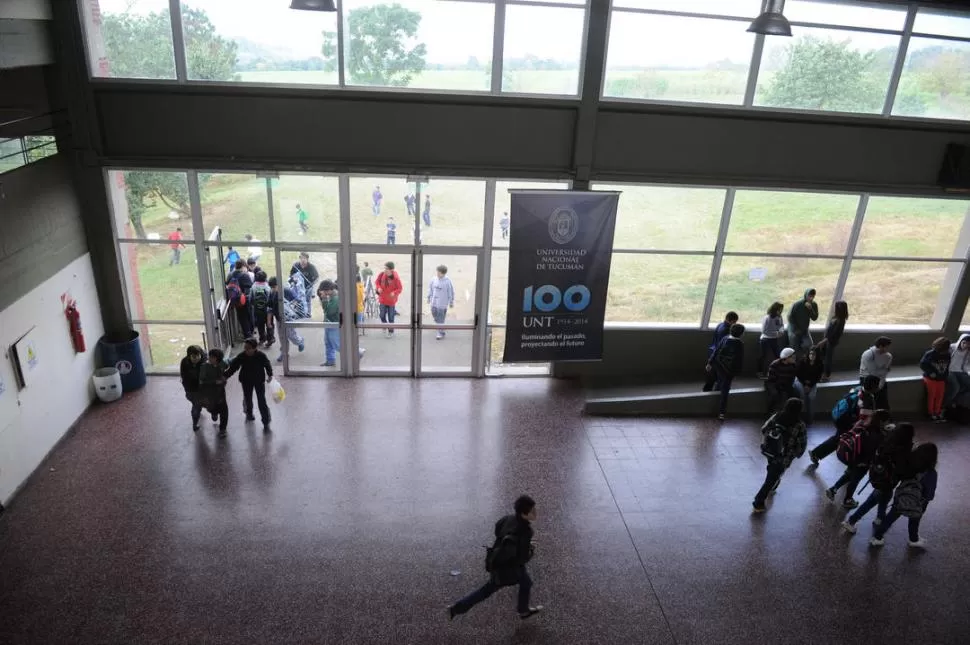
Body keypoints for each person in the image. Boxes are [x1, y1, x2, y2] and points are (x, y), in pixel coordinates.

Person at [448, 495, 543, 621]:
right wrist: (531, 549)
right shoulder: (526, 531)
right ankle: (456, 608)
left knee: (526, 582)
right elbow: (522, 558)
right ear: (524, 514)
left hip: (497, 558)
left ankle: (523, 610)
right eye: (532, 511)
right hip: (509, 568)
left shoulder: (508, 518)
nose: (535, 513)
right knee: (487, 590)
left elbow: (498, 529)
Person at [841, 423, 915, 534]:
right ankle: (852, 520)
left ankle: (880, 518)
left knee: (883, 498)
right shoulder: (902, 450)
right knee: (873, 500)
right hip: (888, 481)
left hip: (879, 477)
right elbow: (902, 469)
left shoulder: (888, 442)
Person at [870, 442, 938, 549]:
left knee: (890, 517)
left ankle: (877, 537)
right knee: (914, 520)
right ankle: (913, 539)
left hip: (901, 496)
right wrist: (926, 500)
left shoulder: (910, 465)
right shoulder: (931, 473)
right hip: (919, 501)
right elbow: (929, 493)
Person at [824, 409, 891, 509]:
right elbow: (872, 451)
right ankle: (848, 499)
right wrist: (866, 462)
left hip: (852, 456)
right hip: (862, 461)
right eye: (887, 421)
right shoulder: (877, 434)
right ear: (881, 421)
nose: (888, 423)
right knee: (855, 479)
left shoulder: (864, 424)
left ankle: (833, 489)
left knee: (849, 474)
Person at [808, 375, 880, 466]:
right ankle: (816, 454)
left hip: (840, 416)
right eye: (877, 385)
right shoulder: (868, 400)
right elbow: (864, 420)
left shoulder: (858, 388)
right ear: (873, 387)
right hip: (846, 422)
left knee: (838, 438)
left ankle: (816, 454)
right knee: (838, 439)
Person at [752, 398, 807, 512]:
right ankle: (758, 502)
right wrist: (797, 453)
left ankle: (773, 479)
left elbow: (763, 429)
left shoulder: (777, 416)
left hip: (770, 451)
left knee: (772, 470)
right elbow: (802, 443)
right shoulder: (800, 425)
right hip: (785, 456)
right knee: (771, 478)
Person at [224, 339, 273, 432]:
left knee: (261, 400)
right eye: (245, 348)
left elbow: (267, 364)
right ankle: (249, 413)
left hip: (259, 381)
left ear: (255, 348)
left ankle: (266, 421)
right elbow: (233, 367)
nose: (246, 350)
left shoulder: (261, 356)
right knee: (247, 398)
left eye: (249, 348)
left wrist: (270, 374)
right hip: (246, 381)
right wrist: (225, 376)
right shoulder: (241, 356)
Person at [317, 279, 365, 367]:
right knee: (328, 343)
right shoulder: (332, 296)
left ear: (329, 290)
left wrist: (323, 299)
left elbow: (329, 311)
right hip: (329, 323)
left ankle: (357, 352)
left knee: (336, 344)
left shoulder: (336, 298)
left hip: (334, 324)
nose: (323, 293)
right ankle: (330, 360)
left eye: (324, 291)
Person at [703, 323, 745, 421]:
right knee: (725, 390)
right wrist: (737, 372)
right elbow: (739, 359)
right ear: (741, 334)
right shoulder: (740, 344)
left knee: (717, 381)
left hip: (718, 366)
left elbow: (716, 351)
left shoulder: (725, 338)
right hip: (729, 371)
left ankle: (712, 395)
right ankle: (721, 412)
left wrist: (709, 362)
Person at [269, 277, 306, 362]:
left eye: (274, 287)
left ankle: (300, 341)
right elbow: (270, 307)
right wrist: (269, 321)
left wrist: (290, 307)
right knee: (282, 337)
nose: (273, 289)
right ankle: (284, 353)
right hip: (279, 319)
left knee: (291, 335)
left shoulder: (286, 291)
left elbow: (297, 300)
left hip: (288, 318)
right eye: (272, 288)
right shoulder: (272, 293)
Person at [199, 348, 230, 437]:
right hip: (209, 392)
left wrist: (224, 380)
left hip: (220, 392)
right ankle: (214, 412)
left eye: (212, 357)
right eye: (210, 356)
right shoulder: (204, 367)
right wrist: (214, 382)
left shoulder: (222, 364)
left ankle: (223, 429)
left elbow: (228, 364)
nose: (210, 359)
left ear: (217, 359)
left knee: (224, 409)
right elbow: (201, 382)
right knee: (211, 407)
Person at [920, 337, 951, 422]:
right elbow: (923, 364)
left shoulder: (947, 355)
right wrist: (930, 373)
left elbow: (947, 366)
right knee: (932, 395)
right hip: (930, 378)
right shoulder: (930, 354)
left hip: (941, 379)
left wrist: (945, 375)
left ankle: (937, 412)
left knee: (940, 395)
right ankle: (930, 413)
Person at [860, 336, 893, 409]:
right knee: (868, 401)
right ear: (881, 346)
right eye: (887, 347)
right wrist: (884, 370)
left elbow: (884, 374)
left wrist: (880, 385)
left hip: (880, 379)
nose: (888, 349)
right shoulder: (868, 354)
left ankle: (884, 417)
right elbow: (872, 372)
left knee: (883, 400)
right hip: (867, 378)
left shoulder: (888, 356)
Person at [794, 345, 825, 424]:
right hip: (800, 381)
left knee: (811, 396)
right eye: (810, 354)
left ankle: (810, 418)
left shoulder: (820, 364)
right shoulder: (802, 361)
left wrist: (810, 385)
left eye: (814, 354)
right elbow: (798, 374)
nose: (812, 356)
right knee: (802, 395)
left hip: (812, 382)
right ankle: (798, 417)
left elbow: (818, 377)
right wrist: (805, 384)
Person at [820, 301, 848, 382]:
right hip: (828, 340)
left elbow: (834, 334)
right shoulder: (836, 318)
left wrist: (824, 341)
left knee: (828, 359)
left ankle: (826, 375)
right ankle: (824, 374)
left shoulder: (841, 321)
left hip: (831, 341)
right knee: (825, 357)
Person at [227, 260, 254, 340]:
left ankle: (246, 333)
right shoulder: (245, 275)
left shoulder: (230, 275)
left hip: (235, 300)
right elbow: (249, 287)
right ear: (243, 266)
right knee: (248, 316)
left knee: (242, 317)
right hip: (245, 299)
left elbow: (227, 284)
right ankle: (249, 333)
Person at [765, 347, 798, 413]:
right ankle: (770, 412)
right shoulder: (775, 364)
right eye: (793, 357)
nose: (795, 359)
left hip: (785, 383)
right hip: (773, 383)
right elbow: (771, 379)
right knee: (775, 394)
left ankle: (791, 413)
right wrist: (780, 386)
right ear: (787, 358)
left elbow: (793, 376)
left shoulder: (793, 365)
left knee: (795, 394)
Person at [180, 345, 205, 431]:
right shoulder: (185, 363)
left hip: (202, 389)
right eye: (194, 357)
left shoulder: (204, 361)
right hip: (192, 390)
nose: (197, 358)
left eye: (198, 356)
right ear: (189, 356)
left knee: (199, 404)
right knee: (196, 406)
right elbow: (185, 378)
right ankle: (195, 423)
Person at [787, 288, 819, 355]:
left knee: (809, 345)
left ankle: (803, 358)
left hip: (804, 329)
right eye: (809, 296)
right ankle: (794, 361)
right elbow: (790, 317)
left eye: (813, 296)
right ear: (806, 295)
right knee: (793, 348)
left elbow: (814, 318)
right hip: (794, 329)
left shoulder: (814, 305)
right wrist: (796, 329)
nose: (811, 298)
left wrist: (811, 309)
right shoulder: (797, 304)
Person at [427, 265, 455, 340]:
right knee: (434, 313)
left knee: (440, 318)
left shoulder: (447, 282)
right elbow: (430, 288)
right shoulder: (434, 279)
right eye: (437, 272)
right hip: (434, 302)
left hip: (442, 304)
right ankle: (439, 324)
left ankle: (441, 332)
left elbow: (451, 292)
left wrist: (451, 302)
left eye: (439, 273)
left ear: (443, 273)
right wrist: (429, 297)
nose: (437, 274)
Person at [758, 302, 785, 378]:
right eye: (779, 310)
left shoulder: (779, 317)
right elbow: (764, 331)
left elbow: (781, 325)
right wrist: (776, 334)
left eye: (781, 310)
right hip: (765, 339)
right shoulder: (767, 318)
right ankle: (761, 372)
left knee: (778, 355)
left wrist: (781, 331)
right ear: (774, 309)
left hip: (774, 339)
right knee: (763, 356)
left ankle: (778, 372)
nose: (780, 311)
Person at [376, 261, 403, 336]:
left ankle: (390, 331)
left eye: (386, 268)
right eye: (384, 268)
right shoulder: (381, 274)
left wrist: (394, 292)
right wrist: (378, 288)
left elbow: (400, 288)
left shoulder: (396, 278)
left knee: (391, 318)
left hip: (391, 301)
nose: (385, 270)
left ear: (391, 270)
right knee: (381, 315)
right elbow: (377, 282)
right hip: (382, 300)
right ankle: (384, 325)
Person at [944, 333, 970, 411]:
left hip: (960, 370)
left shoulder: (968, 351)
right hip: (949, 371)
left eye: (968, 345)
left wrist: (967, 372)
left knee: (967, 385)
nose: (965, 346)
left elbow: (965, 364)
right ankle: (944, 405)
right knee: (955, 387)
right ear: (961, 341)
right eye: (964, 343)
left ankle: (957, 401)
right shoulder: (951, 348)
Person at [290, 252, 320, 317]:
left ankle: (308, 314)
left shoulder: (311, 267)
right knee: (298, 299)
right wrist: (293, 280)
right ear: (299, 258)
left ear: (307, 259)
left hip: (308, 287)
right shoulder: (295, 265)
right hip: (298, 287)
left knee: (307, 301)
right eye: (301, 258)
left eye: (304, 258)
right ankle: (299, 313)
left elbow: (317, 277)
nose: (303, 260)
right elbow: (291, 275)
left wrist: (311, 285)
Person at [250, 270, 274, 348]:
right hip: (267, 310)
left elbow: (250, 298)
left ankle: (262, 338)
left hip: (257, 310)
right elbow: (271, 297)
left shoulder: (253, 286)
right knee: (269, 323)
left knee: (260, 325)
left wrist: (252, 304)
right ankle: (270, 338)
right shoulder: (267, 286)